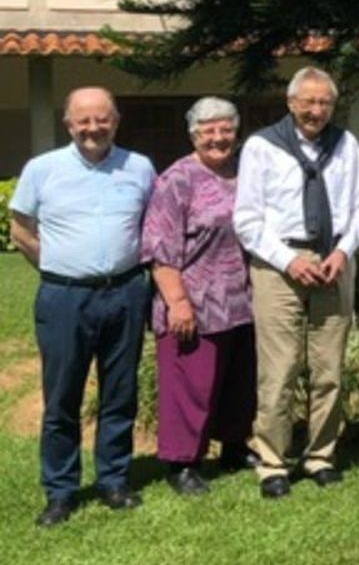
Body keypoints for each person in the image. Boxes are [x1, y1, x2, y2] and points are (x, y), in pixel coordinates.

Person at [11, 87, 156, 527]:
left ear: (116, 120)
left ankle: (113, 479)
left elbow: (152, 225)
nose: (94, 128)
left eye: (102, 119)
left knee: (120, 392)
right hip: (64, 298)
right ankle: (61, 490)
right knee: (62, 397)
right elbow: (21, 230)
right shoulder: (42, 169)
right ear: (68, 123)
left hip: (127, 292)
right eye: (84, 121)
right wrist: (58, 266)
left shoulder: (140, 167)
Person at [234, 67, 359, 499]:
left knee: (329, 368)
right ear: (290, 103)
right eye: (307, 102)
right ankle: (272, 460)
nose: (315, 110)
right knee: (280, 368)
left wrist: (343, 252)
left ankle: (320, 455)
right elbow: (248, 219)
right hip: (279, 265)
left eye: (324, 102)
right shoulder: (262, 147)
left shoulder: (346, 145)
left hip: (333, 260)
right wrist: (289, 261)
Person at [140, 97, 256, 497]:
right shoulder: (177, 180)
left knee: (238, 383)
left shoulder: (245, 174)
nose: (219, 138)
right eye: (209, 131)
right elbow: (159, 248)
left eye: (226, 130)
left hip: (242, 300)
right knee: (190, 384)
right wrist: (178, 302)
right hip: (195, 301)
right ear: (194, 135)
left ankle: (234, 447)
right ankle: (182, 461)